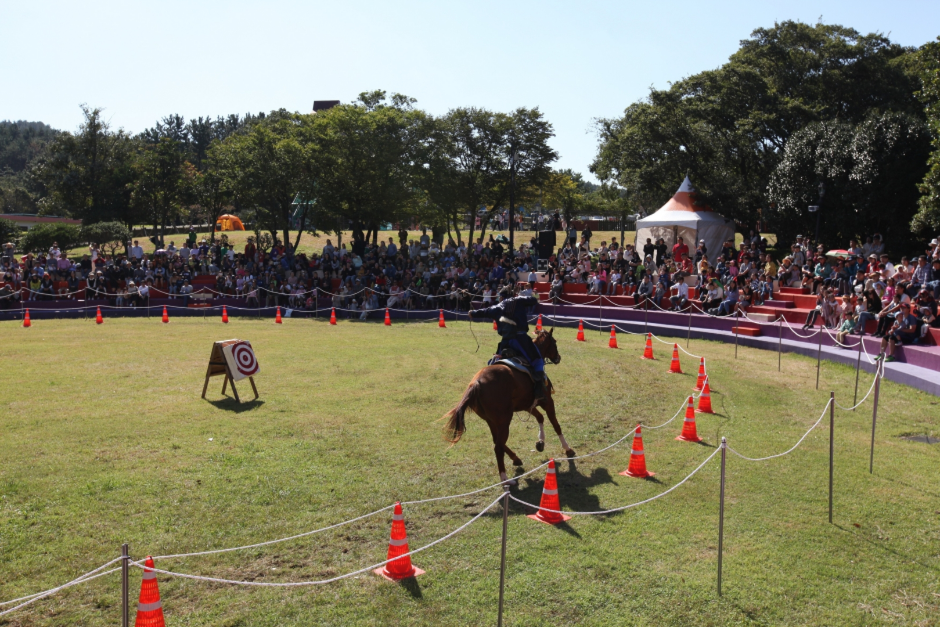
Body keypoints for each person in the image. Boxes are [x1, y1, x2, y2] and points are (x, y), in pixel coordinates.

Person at [469, 294, 547, 400]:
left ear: (501, 297)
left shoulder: (496, 308)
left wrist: (472, 313)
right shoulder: (519, 300)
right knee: (538, 361)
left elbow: (483, 312)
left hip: (505, 342)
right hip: (521, 340)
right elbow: (533, 300)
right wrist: (522, 297)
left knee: (493, 362)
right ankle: (538, 390)